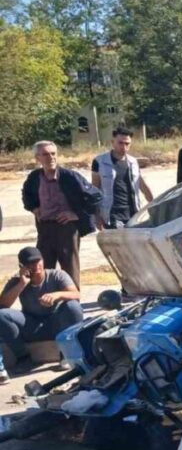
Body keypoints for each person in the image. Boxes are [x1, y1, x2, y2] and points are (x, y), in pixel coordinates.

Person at [20, 141, 103, 289]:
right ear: (37, 158)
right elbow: (26, 196)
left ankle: (72, 305)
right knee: (42, 269)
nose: (50, 158)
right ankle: (44, 305)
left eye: (53, 154)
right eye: (45, 154)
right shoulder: (34, 178)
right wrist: (34, 208)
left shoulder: (70, 177)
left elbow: (96, 196)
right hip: (45, 229)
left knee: (70, 269)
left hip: (67, 229)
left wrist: (76, 214)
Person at [0, 247, 83, 383]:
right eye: (30, 263)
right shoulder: (16, 281)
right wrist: (21, 284)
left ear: (43, 261)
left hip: (56, 323)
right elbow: (3, 305)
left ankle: (67, 354)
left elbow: (76, 294)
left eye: (38, 261)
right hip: (31, 325)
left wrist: (57, 295)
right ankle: (24, 358)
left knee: (73, 306)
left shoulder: (57, 275)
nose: (35, 266)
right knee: (2, 315)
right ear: (22, 266)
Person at [92, 127, 154, 229]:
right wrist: (97, 216)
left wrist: (154, 206)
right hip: (112, 215)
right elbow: (94, 190)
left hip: (133, 214)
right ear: (113, 142)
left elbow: (142, 186)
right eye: (120, 143)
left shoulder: (133, 162)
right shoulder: (100, 161)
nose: (124, 147)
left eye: (127, 144)